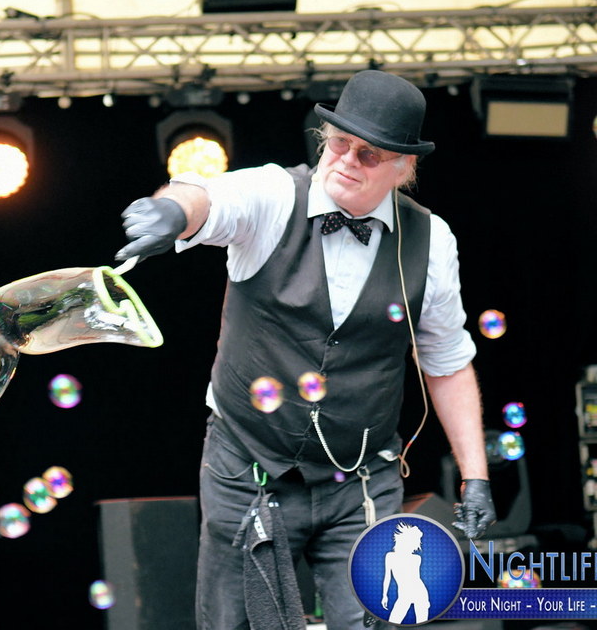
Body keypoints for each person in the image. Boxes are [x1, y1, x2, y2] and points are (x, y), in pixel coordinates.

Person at [115, 70, 496, 630]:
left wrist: (475, 476)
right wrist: (173, 212)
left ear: (403, 167)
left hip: (361, 480)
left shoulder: (431, 240)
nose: (346, 160)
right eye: (339, 141)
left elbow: (446, 363)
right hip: (247, 468)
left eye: (369, 154)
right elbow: (207, 196)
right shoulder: (275, 195)